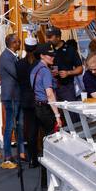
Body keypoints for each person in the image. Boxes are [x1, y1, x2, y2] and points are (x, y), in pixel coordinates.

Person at [29, 44, 60, 183]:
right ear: (42, 55)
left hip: (36, 108)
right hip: (45, 109)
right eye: (49, 55)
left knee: (42, 142)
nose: (52, 57)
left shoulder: (35, 70)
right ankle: (49, 178)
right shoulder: (46, 71)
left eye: (53, 54)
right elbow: (49, 94)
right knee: (51, 142)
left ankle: (43, 178)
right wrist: (57, 115)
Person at [0, 32, 24, 167]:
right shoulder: (7, 57)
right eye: (18, 42)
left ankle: (21, 152)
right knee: (10, 126)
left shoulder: (12, 56)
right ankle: (7, 154)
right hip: (12, 96)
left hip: (16, 96)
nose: (20, 43)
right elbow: (17, 73)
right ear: (13, 44)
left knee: (20, 125)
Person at [47, 27, 83, 102]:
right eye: (47, 37)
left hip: (67, 87)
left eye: (50, 37)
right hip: (51, 87)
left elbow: (80, 69)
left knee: (71, 112)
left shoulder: (70, 50)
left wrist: (68, 73)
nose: (48, 39)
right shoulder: (47, 50)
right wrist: (50, 72)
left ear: (58, 37)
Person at [19, 36, 38, 168]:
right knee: (41, 129)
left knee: (30, 130)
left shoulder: (19, 64)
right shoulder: (39, 64)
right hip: (38, 99)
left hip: (25, 100)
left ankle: (32, 158)